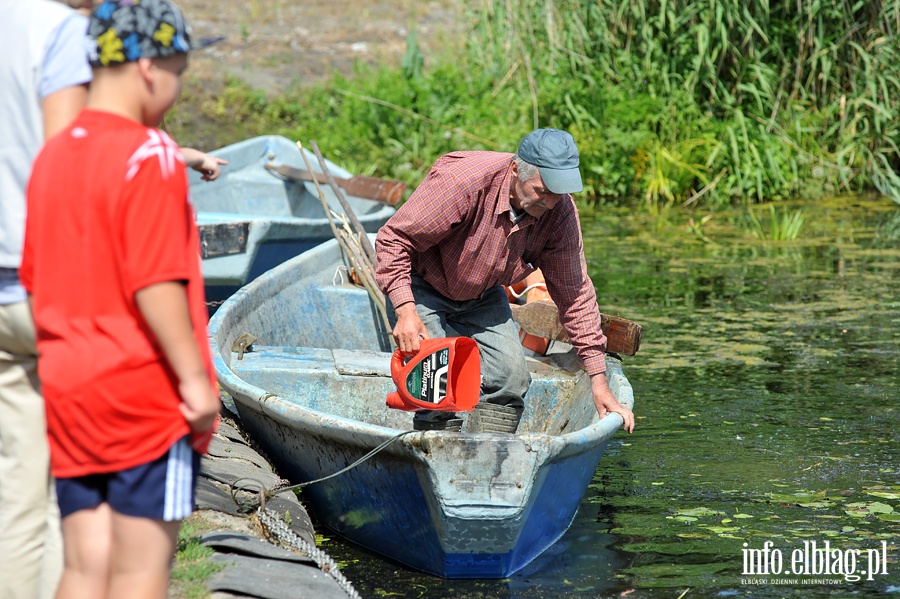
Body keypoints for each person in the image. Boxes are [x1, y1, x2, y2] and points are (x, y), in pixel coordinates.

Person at [19, 1, 221, 598]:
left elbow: (37, 274)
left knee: (85, 565)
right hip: (143, 393)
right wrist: (192, 382)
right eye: (180, 72)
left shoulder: (53, 153)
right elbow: (154, 281)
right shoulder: (149, 153)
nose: (178, 88)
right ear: (147, 69)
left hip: (70, 385)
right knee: (139, 570)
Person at [375, 128, 636, 434]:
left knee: (512, 378)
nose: (551, 202)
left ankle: (490, 457)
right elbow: (393, 240)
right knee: (435, 381)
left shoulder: (560, 213)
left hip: (483, 294)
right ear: (515, 170)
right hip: (422, 283)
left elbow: (576, 293)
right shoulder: (462, 183)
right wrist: (406, 311)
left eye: (559, 192)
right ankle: (438, 449)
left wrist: (599, 381)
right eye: (543, 190)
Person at [0, 2, 92, 598]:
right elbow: (69, 164)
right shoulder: (59, 31)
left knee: (15, 486)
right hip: (50, 283)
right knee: (75, 489)